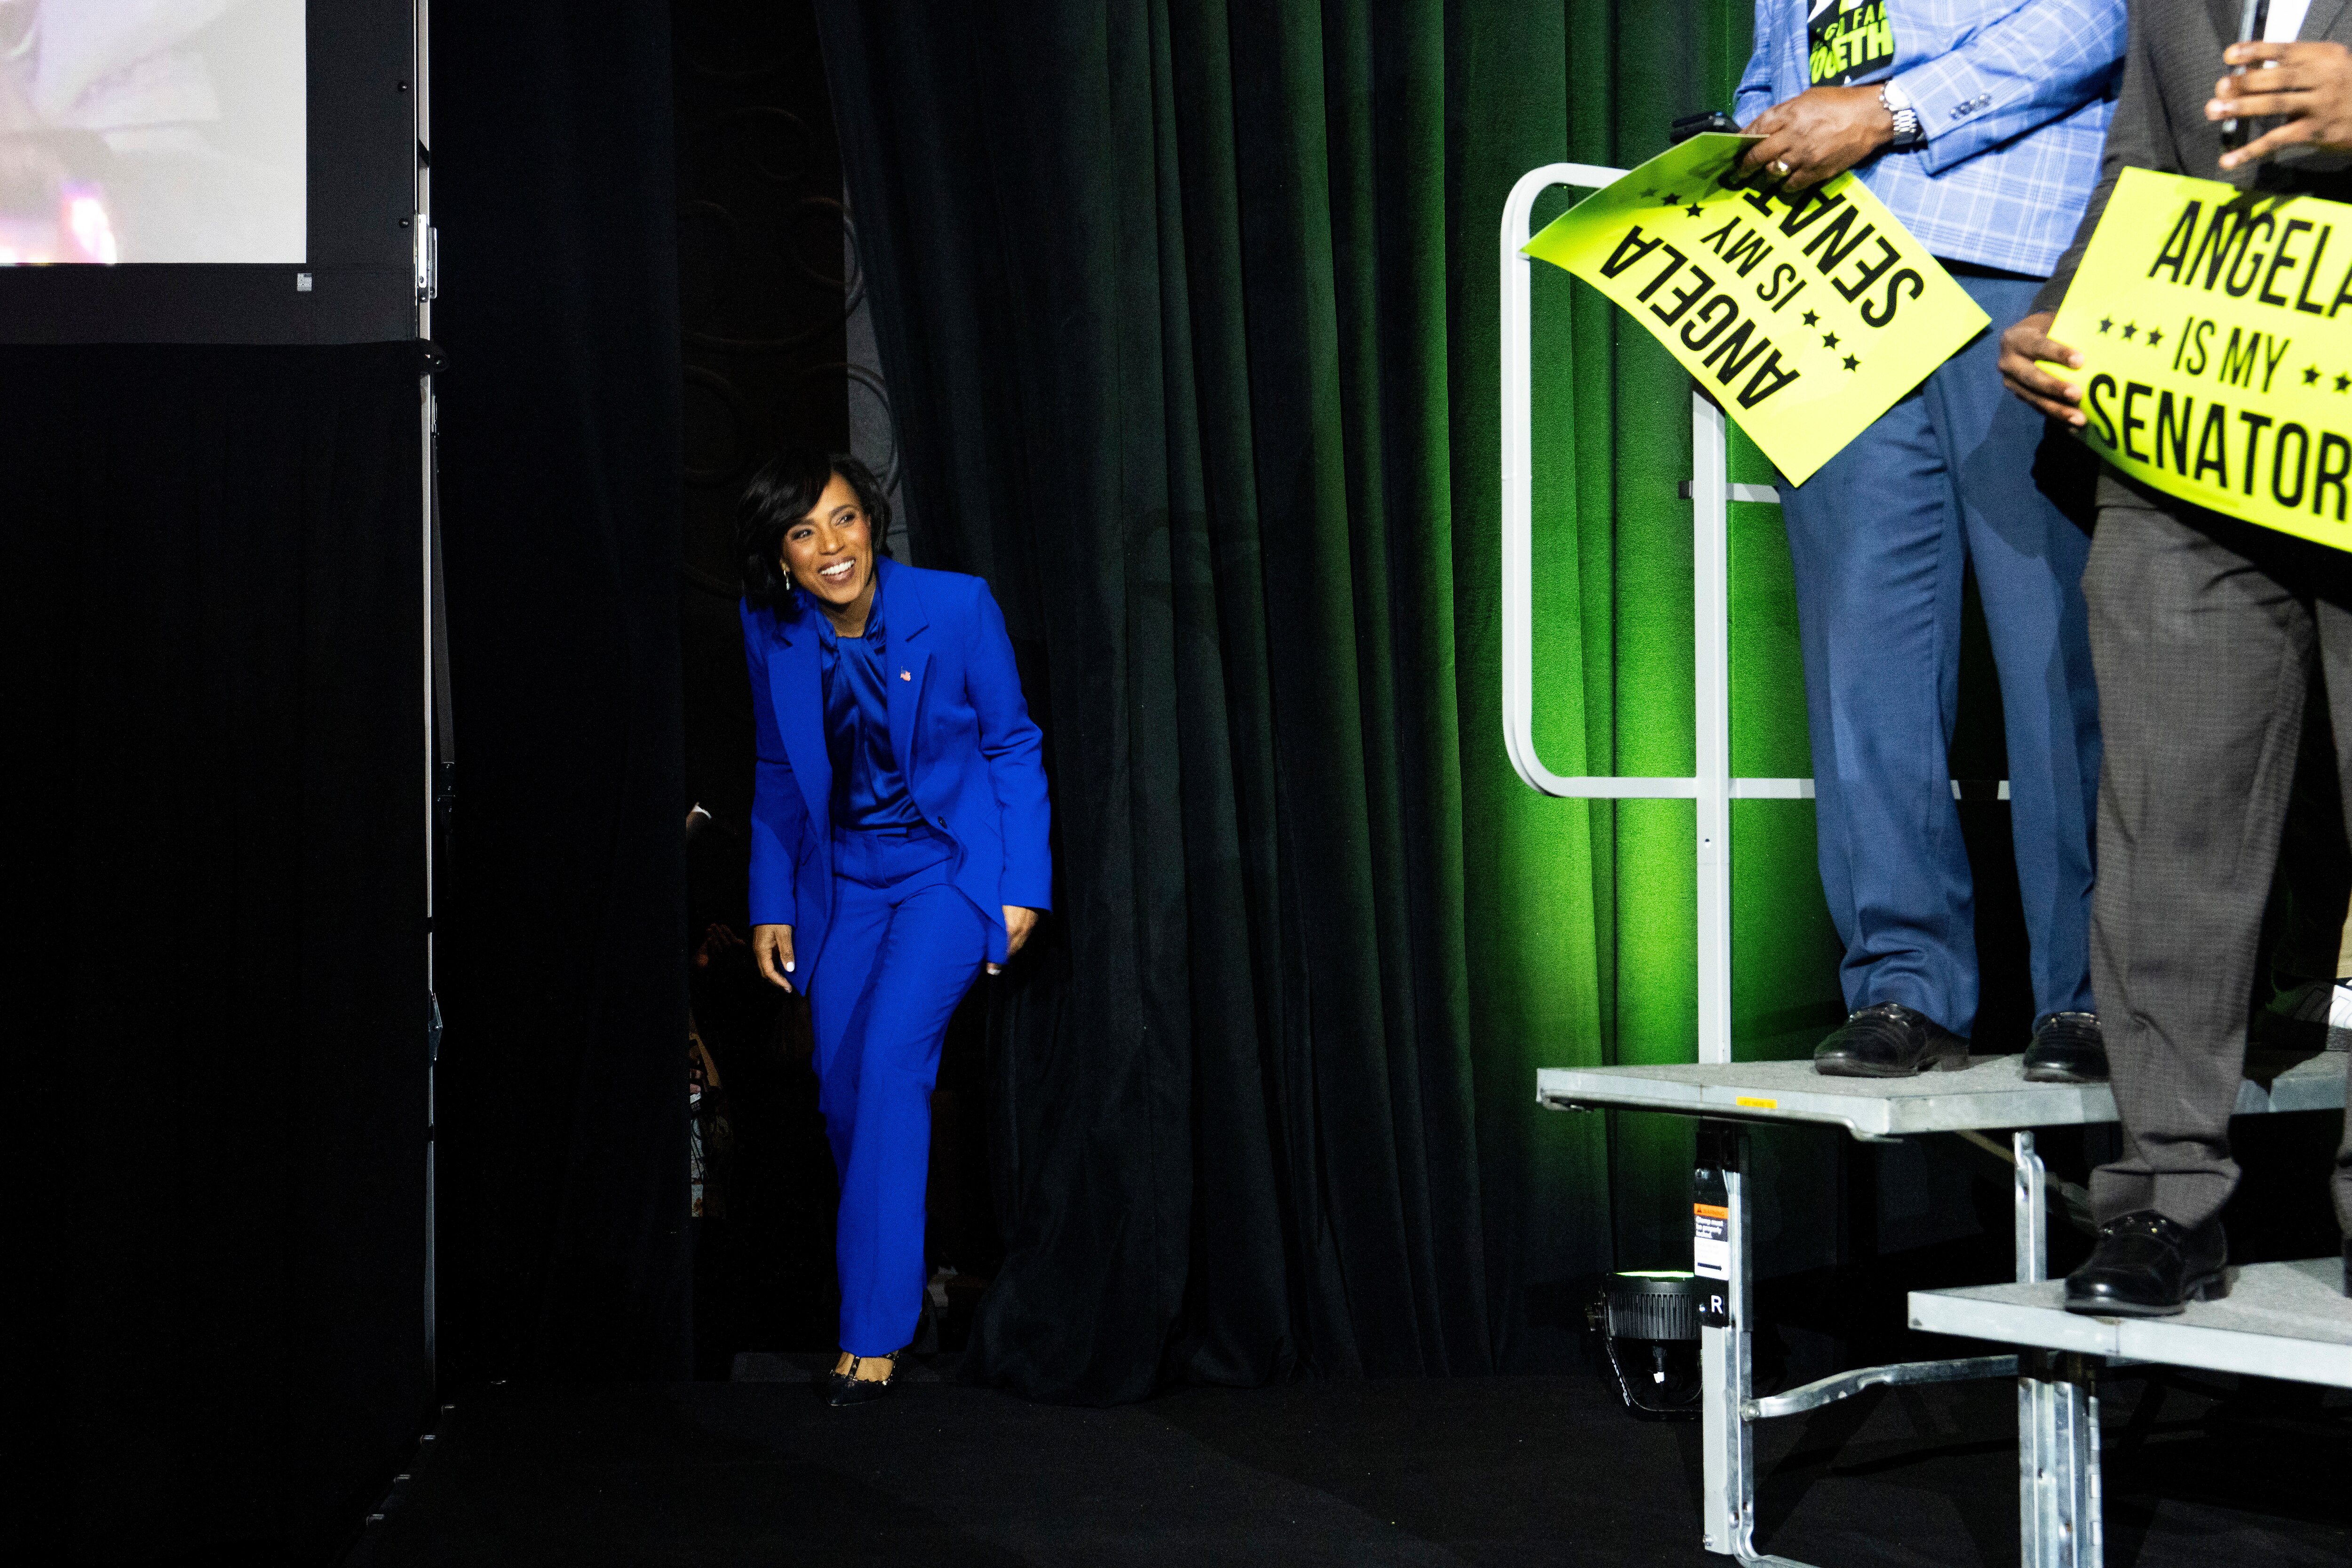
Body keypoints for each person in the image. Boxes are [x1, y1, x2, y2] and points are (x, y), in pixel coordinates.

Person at [1999, 1, 2352, 1310]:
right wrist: (2063, 314)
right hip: (2189, 423)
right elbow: (2140, 159)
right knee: (2163, 824)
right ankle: (2162, 1198)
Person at [1734, 0, 2128, 1082]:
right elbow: (1781, 58)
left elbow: (2097, 16)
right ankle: (1903, 982)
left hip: (2014, 255)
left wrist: (1891, 111)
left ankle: (2095, 990)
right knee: (1863, 653)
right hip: (1825, 279)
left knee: (2060, 647)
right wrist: (1747, 146)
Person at [737, 450, 1053, 1398]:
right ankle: (898, 1264)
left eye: (842, 519)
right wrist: (769, 902)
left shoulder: (956, 607)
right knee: (840, 1092)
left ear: (871, 519)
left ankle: (873, 1332)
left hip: (946, 874)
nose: (830, 546)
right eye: (803, 532)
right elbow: (777, 773)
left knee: (888, 1067)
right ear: (781, 557)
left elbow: (1010, 741)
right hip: (841, 884)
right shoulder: (771, 630)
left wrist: (1022, 885)